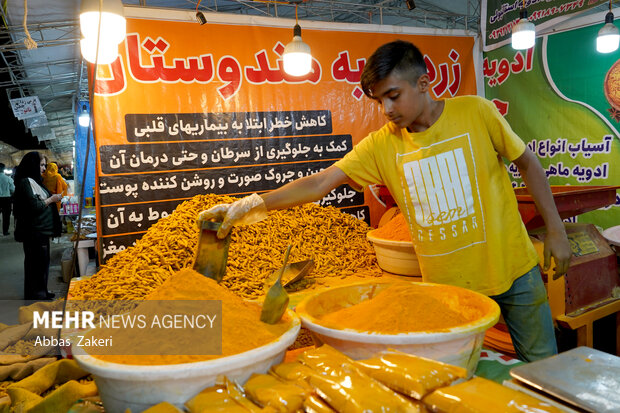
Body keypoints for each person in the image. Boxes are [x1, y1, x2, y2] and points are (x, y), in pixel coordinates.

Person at [199, 40, 571, 362]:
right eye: (379, 100)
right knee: (461, 376)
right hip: (448, 290)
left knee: (543, 368)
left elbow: (528, 162)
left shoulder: (476, 112)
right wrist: (253, 204)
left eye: (393, 96)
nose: (386, 109)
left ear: (424, 83)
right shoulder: (382, 143)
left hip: (515, 270)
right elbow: (322, 182)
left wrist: (556, 230)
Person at [13, 151, 62, 300]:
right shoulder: (26, 182)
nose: (43, 168)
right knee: (36, 264)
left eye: (44, 165)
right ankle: (37, 294)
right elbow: (34, 206)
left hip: (40, 231)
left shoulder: (34, 182)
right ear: (33, 165)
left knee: (41, 262)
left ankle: (41, 291)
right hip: (34, 232)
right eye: (41, 165)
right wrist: (52, 199)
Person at [0, 163, 14, 236]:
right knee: (6, 216)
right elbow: (13, 189)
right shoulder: (8, 178)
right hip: (6, 199)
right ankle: (5, 231)